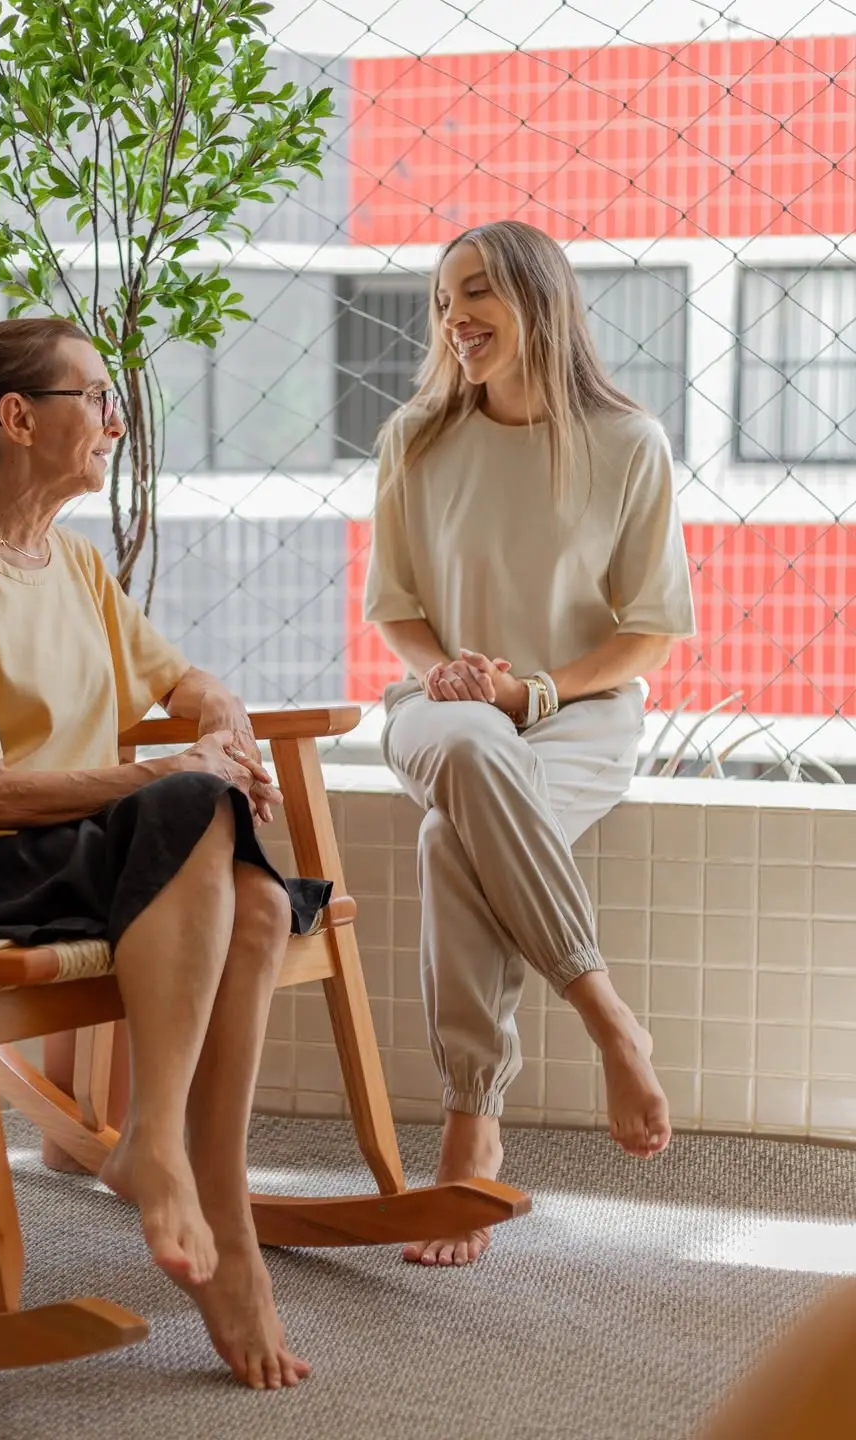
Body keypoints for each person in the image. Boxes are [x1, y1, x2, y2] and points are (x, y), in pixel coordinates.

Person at [0, 316, 329, 1390]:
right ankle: (160, 1149)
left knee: (260, 903)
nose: (118, 423)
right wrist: (175, 777)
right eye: (97, 399)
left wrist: (218, 712)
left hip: (82, 854)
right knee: (188, 804)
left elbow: (179, 682)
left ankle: (197, 1183)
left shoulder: (72, 564)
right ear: (21, 418)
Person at [364, 220, 697, 1268]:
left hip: (581, 721)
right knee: (464, 745)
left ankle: (472, 1121)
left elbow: (648, 629)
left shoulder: (629, 443)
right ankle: (608, 1018)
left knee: (444, 843)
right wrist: (447, 676)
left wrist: (538, 689)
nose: (454, 319)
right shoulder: (415, 439)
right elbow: (398, 606)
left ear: (538, 300)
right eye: (440, 300)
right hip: (442, 712)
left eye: (476, 295)